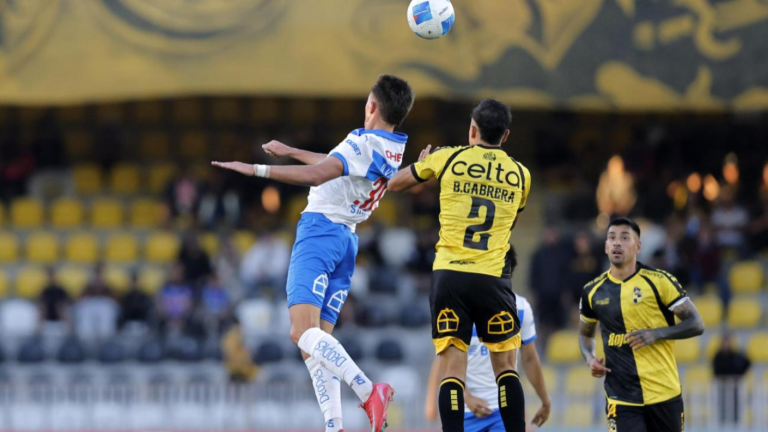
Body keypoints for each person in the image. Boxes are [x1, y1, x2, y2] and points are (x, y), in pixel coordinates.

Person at [212, 74, 414, 432]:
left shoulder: (363, 140)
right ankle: (334, 426)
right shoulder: (392, 145)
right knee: (317, 345)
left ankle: (369, 390)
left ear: (371, 105)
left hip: (320, 232)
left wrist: (256, 170)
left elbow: (320, 175)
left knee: (299, 333)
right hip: (346, 242)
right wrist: (291, 150)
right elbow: (337, 163)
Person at [389, 99, 531, 432]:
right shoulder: (521, 175)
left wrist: (424, 168)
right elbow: (509, 223)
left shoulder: (448, 157)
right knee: (506, 368)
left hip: (449, 275)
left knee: (452, 368)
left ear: (472, 129)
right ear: (506, 135)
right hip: (492, 277)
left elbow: (394, 184)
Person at [578, 217, 705, 432]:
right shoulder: (592, 291)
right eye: (612, 238)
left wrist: (656, 334)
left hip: (664, 392)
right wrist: (590, 358)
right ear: (606, 246)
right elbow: (585, 335)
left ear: (638, 246)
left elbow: (696, 323)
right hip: (621, 396)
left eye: (625, 238)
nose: (617, 243)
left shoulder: (659, 281)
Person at [424, 246, 551, 432]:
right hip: (466, 412)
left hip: (501, 412)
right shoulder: (460, 309)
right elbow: (443, 361)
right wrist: (465, 397)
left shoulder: (521, 308)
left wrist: (544, 400)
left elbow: (530, 359)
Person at [712, 330, 751, 425]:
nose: (726, 344)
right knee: (723, 409)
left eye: (727, 341)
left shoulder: (735, 355)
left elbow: (747, 363)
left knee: (735, 410)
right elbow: (715, 371)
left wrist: (739, 376)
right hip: (722, 386)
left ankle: (735, 425)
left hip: (734, 387)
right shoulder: (718, 356)